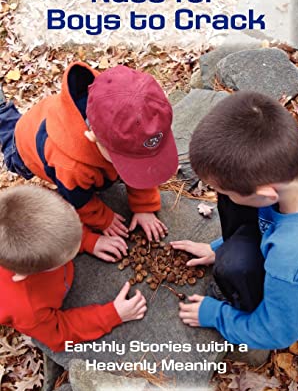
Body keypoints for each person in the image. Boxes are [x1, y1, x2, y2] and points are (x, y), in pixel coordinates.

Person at [171, 91, 298, 350]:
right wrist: (216, 248)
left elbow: (277, 333)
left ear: (266, 195)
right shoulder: (296, 155)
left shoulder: (291, 262)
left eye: (221, 192)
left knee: (235, 264)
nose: (218, 196)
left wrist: (216, 315)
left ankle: (247, 302)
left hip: (294, 280)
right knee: (235, 199)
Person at [0, 62, 178, 254]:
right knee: (8, 132)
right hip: (25, 145)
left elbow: (144, 164)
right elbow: (78, 200)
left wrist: (144, 206)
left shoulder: (126, 111)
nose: (139, 165)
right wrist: (103, 220)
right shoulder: (71, 167)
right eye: (127, 160)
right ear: (92, 137)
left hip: (53, 114)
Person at [0, 185, 147, 352]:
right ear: (24, 274)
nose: (74, 250)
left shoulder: (29, 207)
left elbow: (59, 225)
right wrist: (112, 315)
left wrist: (89, 240)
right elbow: (59, 334)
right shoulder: (27, 308)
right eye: (65, 255)